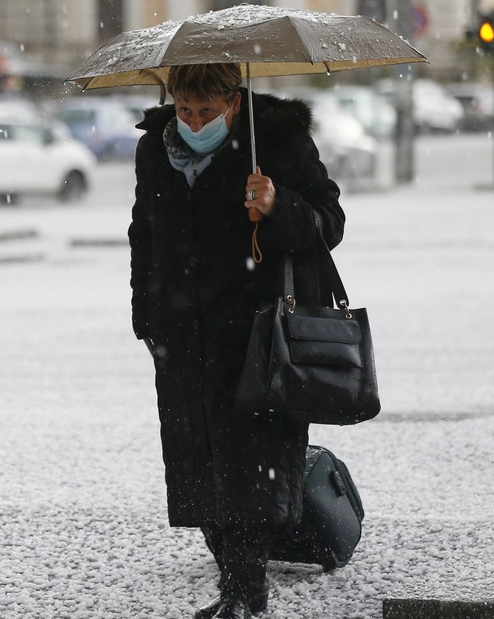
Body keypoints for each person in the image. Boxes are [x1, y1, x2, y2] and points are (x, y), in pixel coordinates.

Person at [127, 63, 345, 618]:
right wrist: (147, 319)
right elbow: (143, 237)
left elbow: (330, 220)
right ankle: (235, 576)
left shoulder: (275, 139)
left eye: (207, 111)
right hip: (182, 334)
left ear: (233, 101)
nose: (195, 122)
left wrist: (278, 207)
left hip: (257, 331)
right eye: (184, 110)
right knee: (197, 462)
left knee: (251, 460)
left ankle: (244, 593)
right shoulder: (155, 149)